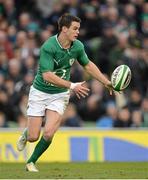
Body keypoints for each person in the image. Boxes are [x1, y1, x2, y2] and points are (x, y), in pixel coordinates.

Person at [17, 13, 113, 172]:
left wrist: (106, 82)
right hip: (40, 92)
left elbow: (88, 65)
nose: (78, 32)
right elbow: (47, 75)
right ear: (64, 29)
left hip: (59, 95)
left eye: (79, 29)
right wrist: (72, 85)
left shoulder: (78, 46)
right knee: (34, 136)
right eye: (75, 29)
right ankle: (27, 132)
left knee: (48, 133)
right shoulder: (48, 46)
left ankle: (31, 162)